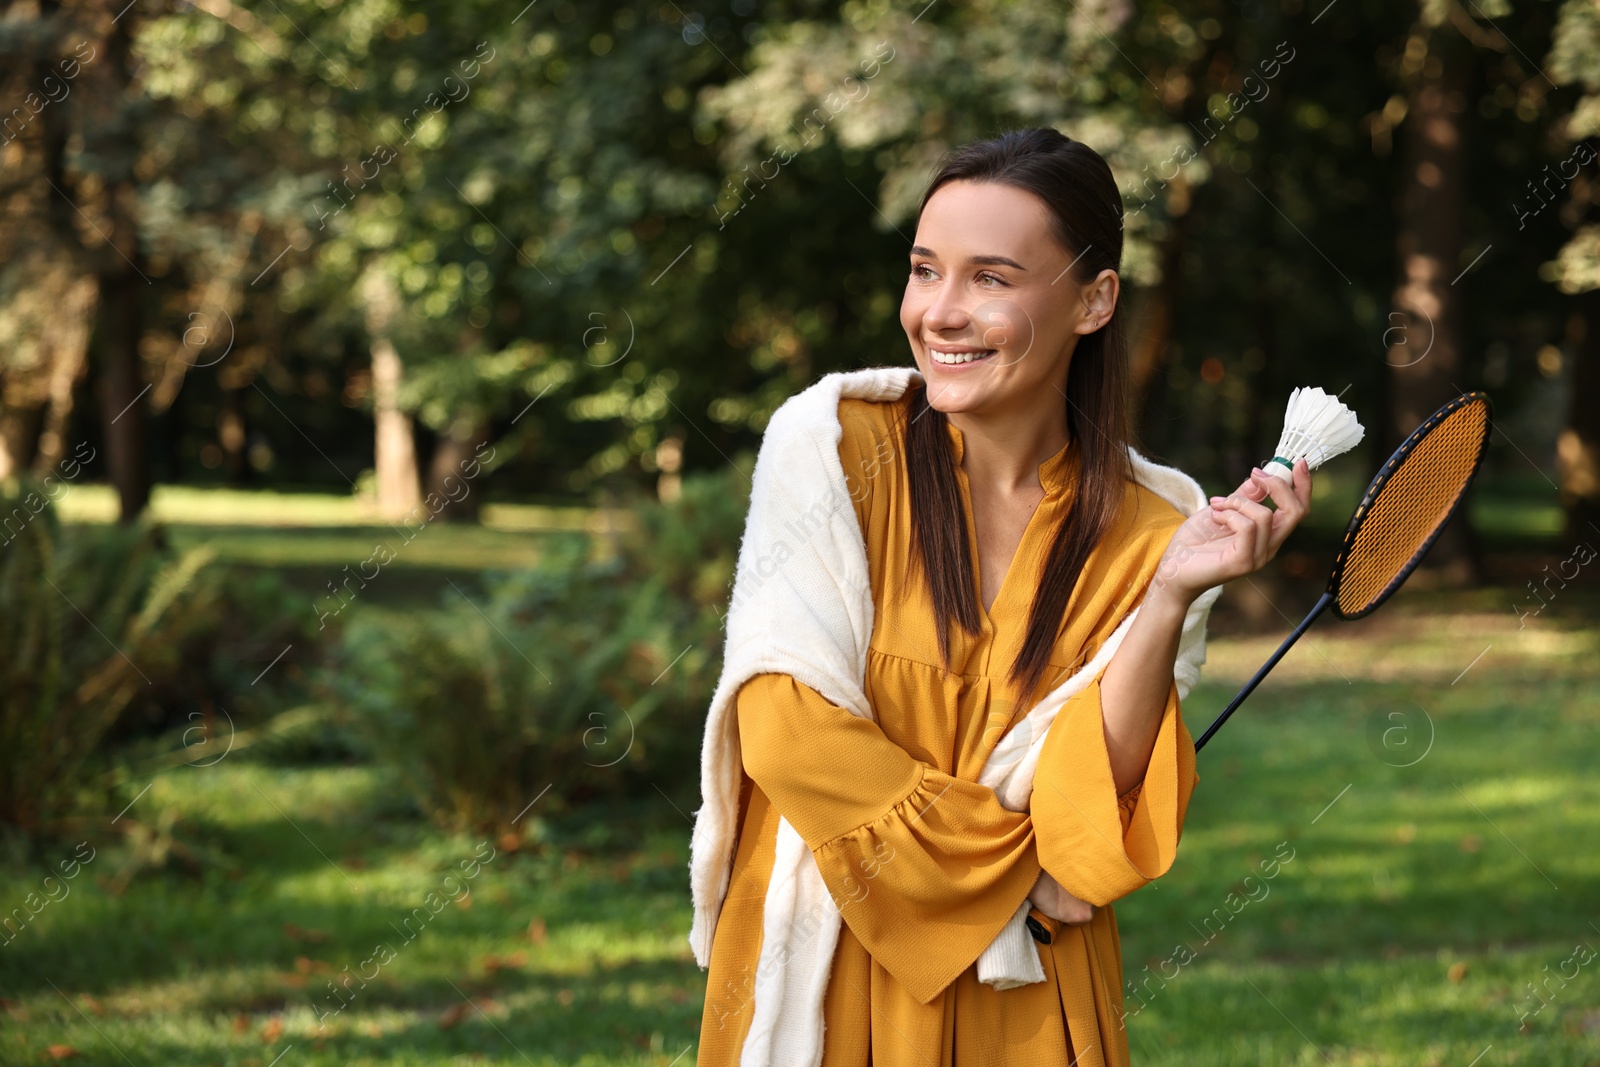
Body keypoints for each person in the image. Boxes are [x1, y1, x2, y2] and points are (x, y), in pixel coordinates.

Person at [694, 127, 1311, 1066]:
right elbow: (785, 727)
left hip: (1028, 994)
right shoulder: (830, 446)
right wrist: (1017, 866)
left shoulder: (1155, 530)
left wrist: (1168, 597)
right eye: (925, 269)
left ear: (1094, 300)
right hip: (834, 965)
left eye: (990, 278)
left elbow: (1094, 825)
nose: (940, 311)